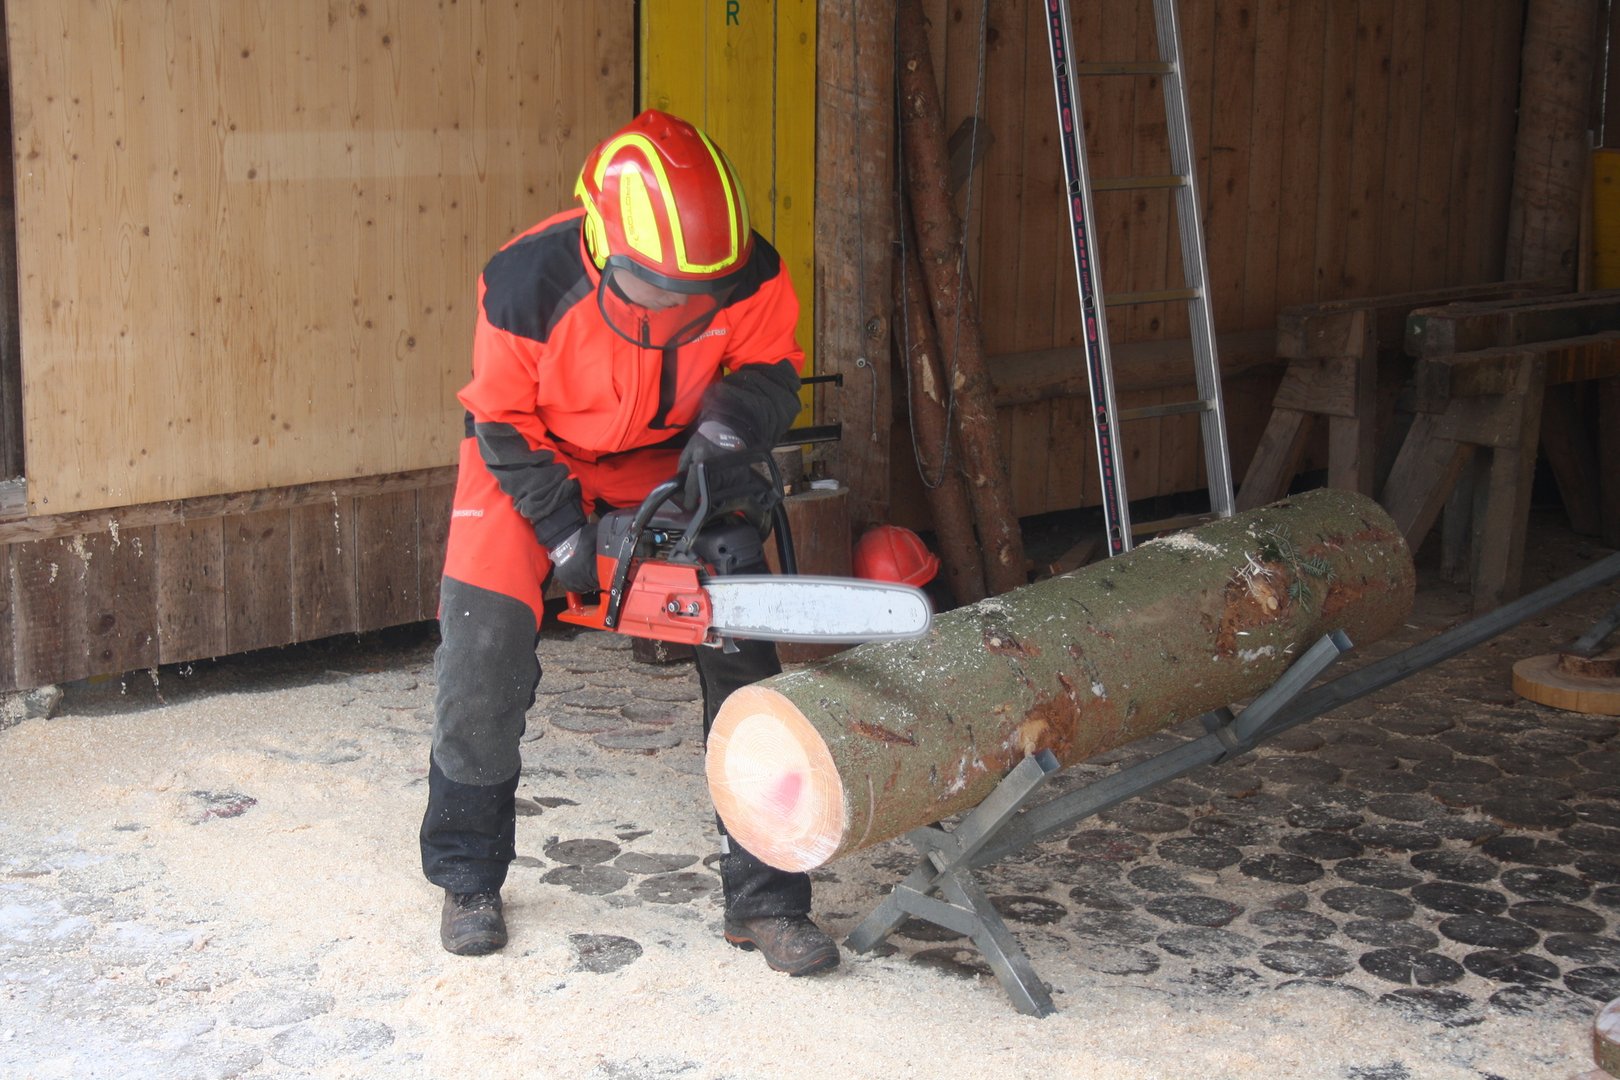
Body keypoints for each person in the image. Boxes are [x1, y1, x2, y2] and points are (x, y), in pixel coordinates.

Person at [418, 109, 839, 977]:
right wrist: (563, 533)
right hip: (533, 459)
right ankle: (467, 877)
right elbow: (499, 419)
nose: (681, 306)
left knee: (744, 647)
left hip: (670, 457)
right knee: (482, 646)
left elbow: (768, 369)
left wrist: (728, 430)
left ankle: (767, 898)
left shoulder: (749, 272)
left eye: (697, 293)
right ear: (603, 245)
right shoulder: (527, 282)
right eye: (658, 287)